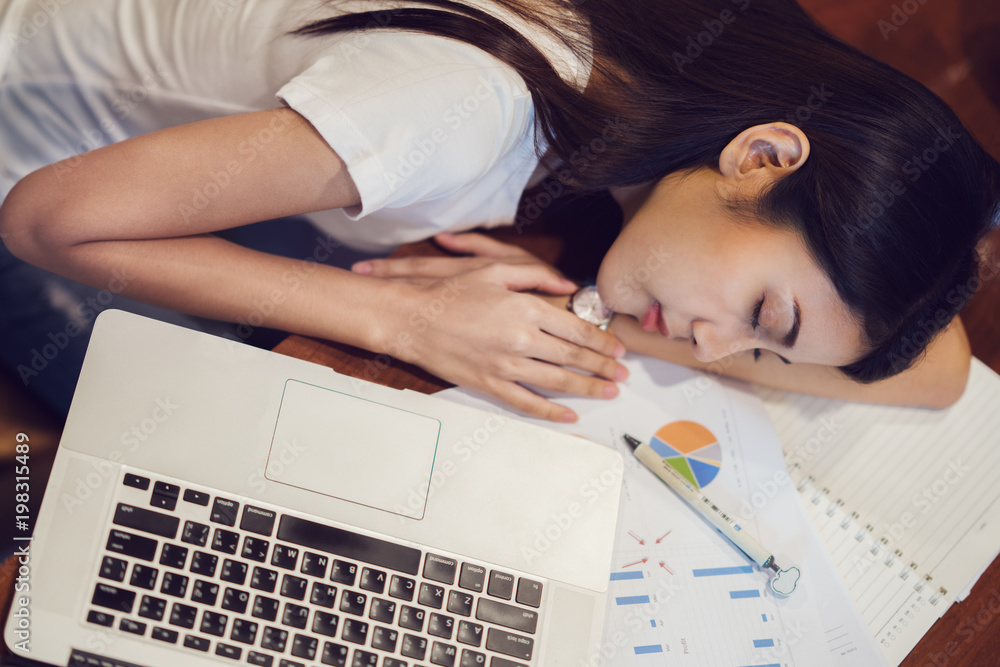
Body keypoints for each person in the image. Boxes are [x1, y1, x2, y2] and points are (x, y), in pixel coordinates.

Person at [0, 0, 997, 424]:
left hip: (234, 144)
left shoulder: (716, 58)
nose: (711, 343)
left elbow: (939, 369)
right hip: (34, 161)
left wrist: (589, 317)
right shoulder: (459, 118)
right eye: (761, 319)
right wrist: (405, 321)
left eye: (758, 352)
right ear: (763, 159)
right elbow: (50, 221)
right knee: (215, 459)